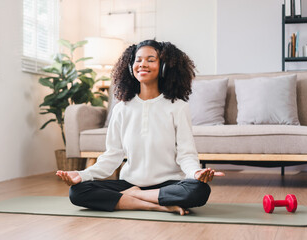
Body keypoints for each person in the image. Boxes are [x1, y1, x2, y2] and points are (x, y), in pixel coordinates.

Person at [56, 39, 224, 215]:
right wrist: (82, 175)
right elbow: (112, 156)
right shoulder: (121, 108)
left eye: (151, 60)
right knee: (77, 192)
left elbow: (186, 154)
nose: (143, 64)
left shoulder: (178, 106)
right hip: (130, 183)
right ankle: (152, 204)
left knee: (199, 191)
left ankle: (131, 198)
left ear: (164, 66)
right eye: (138, 60)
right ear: (131, 66)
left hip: (169, 183)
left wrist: (195, 172)